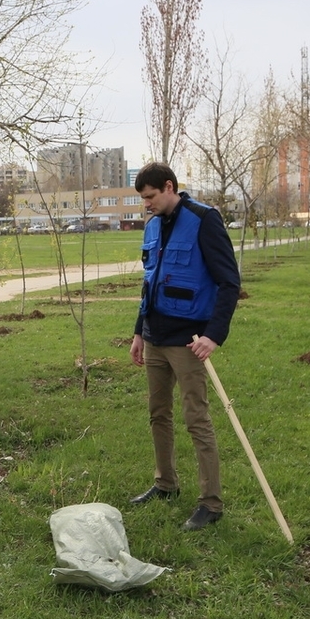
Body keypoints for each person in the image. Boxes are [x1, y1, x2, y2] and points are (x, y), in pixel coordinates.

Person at [128, 162, 241, 532]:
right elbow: (150, 284)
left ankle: (211, 503)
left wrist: (214, 335)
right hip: (155, 337)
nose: (146, 205)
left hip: (190, 341)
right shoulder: (152, 226)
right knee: (158, 414)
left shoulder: (204, 220)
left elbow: (229, 281)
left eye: (150, 198)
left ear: (169, 186)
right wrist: (139, 332)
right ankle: (165, 484)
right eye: (142, 199)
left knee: (197, 419)